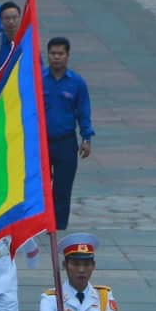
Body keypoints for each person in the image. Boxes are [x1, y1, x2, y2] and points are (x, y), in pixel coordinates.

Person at [43, 37, 93, 230]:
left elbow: (83, 112)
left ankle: (59, 225)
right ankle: (41, 222)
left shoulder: (77, 83)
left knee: (62, 187)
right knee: (41, 186)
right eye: (53, 54)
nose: (56, 57)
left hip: (65, 142)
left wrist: (86, 138)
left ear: (67, 56)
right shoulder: (38, 80)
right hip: (42, 142)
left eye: (60, 54)